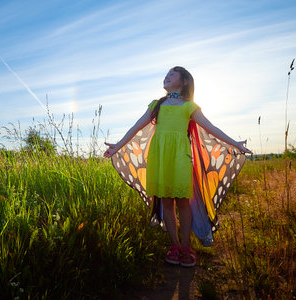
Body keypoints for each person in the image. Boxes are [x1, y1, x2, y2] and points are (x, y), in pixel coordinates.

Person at [104, 66, 252, 267]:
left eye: (172, 74)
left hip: (181, 158)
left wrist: (235, 143)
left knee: (183, 201)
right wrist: (118, 145)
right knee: (166, 202)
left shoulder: (189, 107)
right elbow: (136, 126)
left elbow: (212, 128)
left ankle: (186, 246)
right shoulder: (157, 104)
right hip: (160, 157)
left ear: (183, 82)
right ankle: (174, 245)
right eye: (167, 74)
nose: (167, 76)